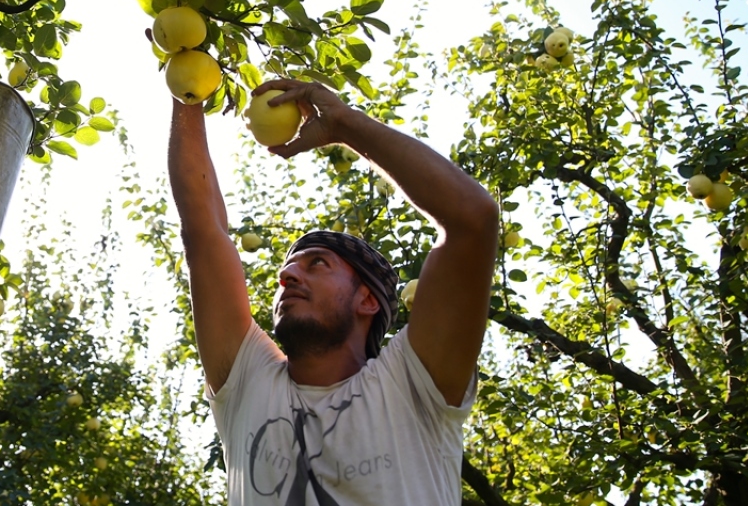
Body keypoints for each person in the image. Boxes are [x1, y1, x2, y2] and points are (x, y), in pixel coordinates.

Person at [167, 79, 499, 505]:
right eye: (288, 269)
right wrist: (189, 74)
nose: (288, 276)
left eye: (317, 264)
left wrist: (344, 124)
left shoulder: (415, 386)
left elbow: (473, 219)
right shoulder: (248, 384)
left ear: (367, 300)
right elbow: (202, 228)